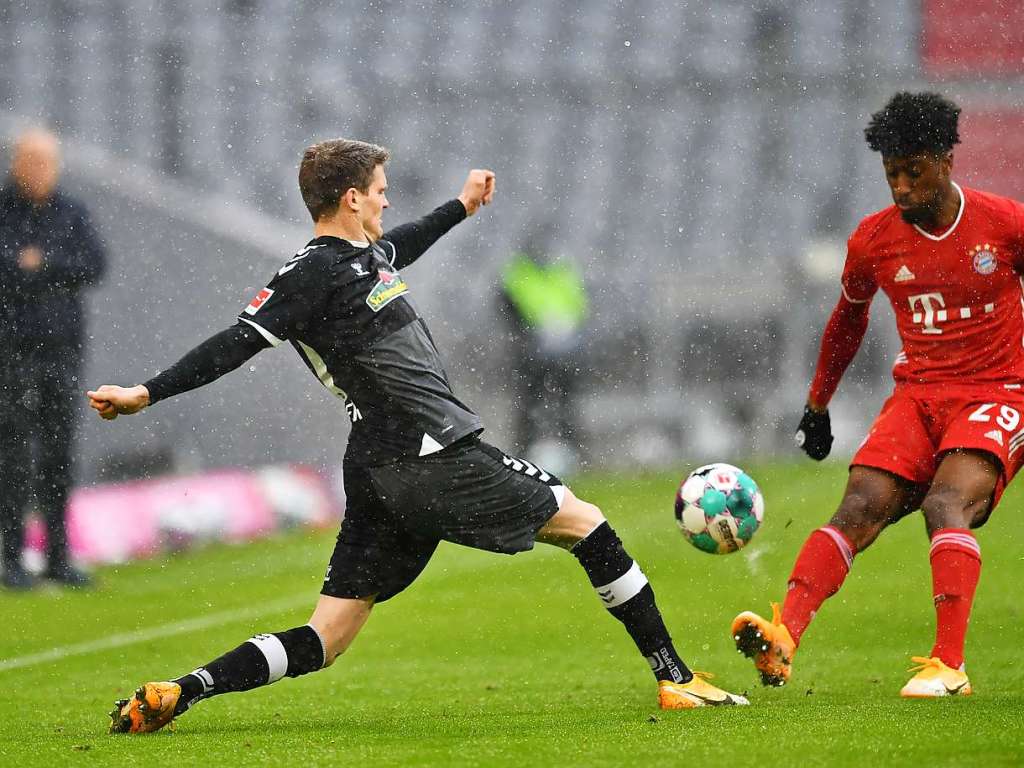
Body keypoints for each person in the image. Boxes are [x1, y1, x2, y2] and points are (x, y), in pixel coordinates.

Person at [90, 139, 748, 734]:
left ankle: (183, 690)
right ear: (351, 198)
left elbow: (407, 238)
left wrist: (461, 206)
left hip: (378, 467)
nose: (386, 197)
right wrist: (148, 392)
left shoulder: (363, 255)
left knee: (327, 636)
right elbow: (235, 342)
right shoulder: (309, 274)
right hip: (429, 451)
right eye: (378, 188)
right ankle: (675, 676)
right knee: (587, 524)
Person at [731, 92, 1024, 698]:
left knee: (947, 504)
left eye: (912, 171)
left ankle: (949, 666)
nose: (900, 186)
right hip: (918, 394)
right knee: (858, 506)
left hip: (997, 391)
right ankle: (783, 637)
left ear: (943, 161)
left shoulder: (1005, 224)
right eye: (891, 173)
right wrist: (817, 405)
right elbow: (847, 320)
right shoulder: (873, 240)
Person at [0, 127, 106, 589]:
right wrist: (45, 269)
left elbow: (95, 265)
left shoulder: (72, 211)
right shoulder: (4, 211)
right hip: (10, 354)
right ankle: (12, 558)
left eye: (47, 161)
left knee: (59, 455)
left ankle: (60, 557)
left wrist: (40, 265)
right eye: (31, 160)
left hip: (61, 353)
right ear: (16, 164)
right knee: (14, 457)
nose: (39, 170)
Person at [501, 245, 588, 462]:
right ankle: (527, 453)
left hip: (560, 352)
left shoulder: (560, 272)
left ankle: (570, 453)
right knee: (532, 406)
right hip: (534, 354)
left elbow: (579, 307)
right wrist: (526, 335)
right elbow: (508, 308)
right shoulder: (522, 272)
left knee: (563, 406)